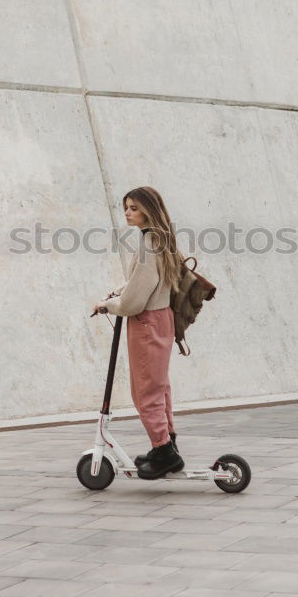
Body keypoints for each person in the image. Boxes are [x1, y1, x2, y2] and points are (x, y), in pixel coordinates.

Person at [92, 186, 185, 480]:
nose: (128, 213)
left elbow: (135, 300)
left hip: (146, 322)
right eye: (126, 208)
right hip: (162, 319)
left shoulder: (148, 245)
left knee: (146, 391)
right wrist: (118, 293)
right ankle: (166, 445)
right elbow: (142, 283)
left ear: (148, 209)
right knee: (160, 387)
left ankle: (164, 451)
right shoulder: (160, 239)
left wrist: (110, 304)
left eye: (134, 208)